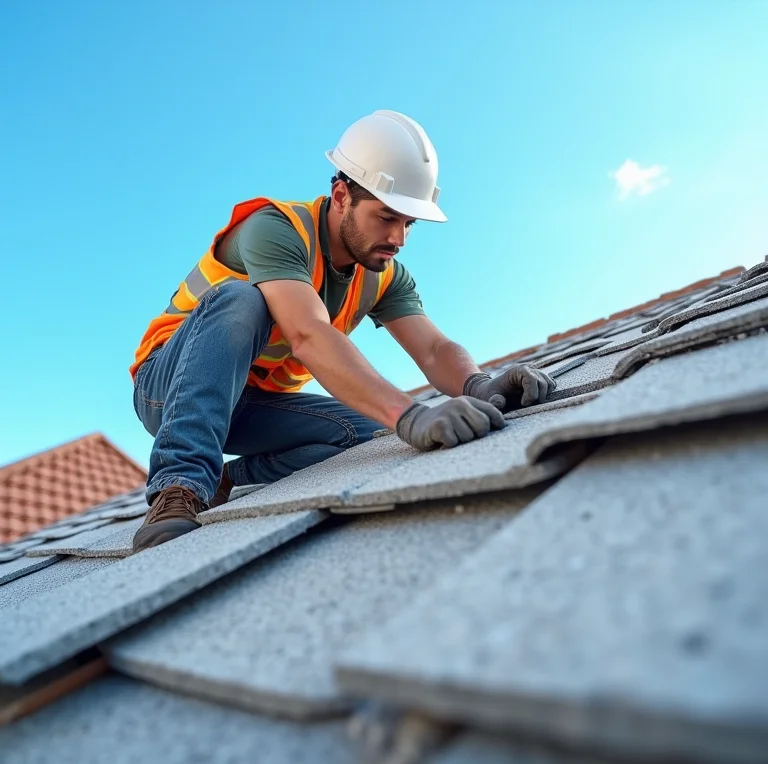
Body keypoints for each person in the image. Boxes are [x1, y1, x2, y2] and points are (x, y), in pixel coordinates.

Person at [129, 109, 555, 553]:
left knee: (369, 433)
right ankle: (178, 489)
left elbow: (432, 349)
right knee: (242, 300)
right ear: (340, 195)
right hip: (171, 390)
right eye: (387, 217)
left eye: (408, 223)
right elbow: (308, 332)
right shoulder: (277, 229)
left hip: (246, 405)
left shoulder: (382, 271)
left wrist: (480, 385)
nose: (399, 238)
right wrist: (410, 415)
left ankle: (226, 477)